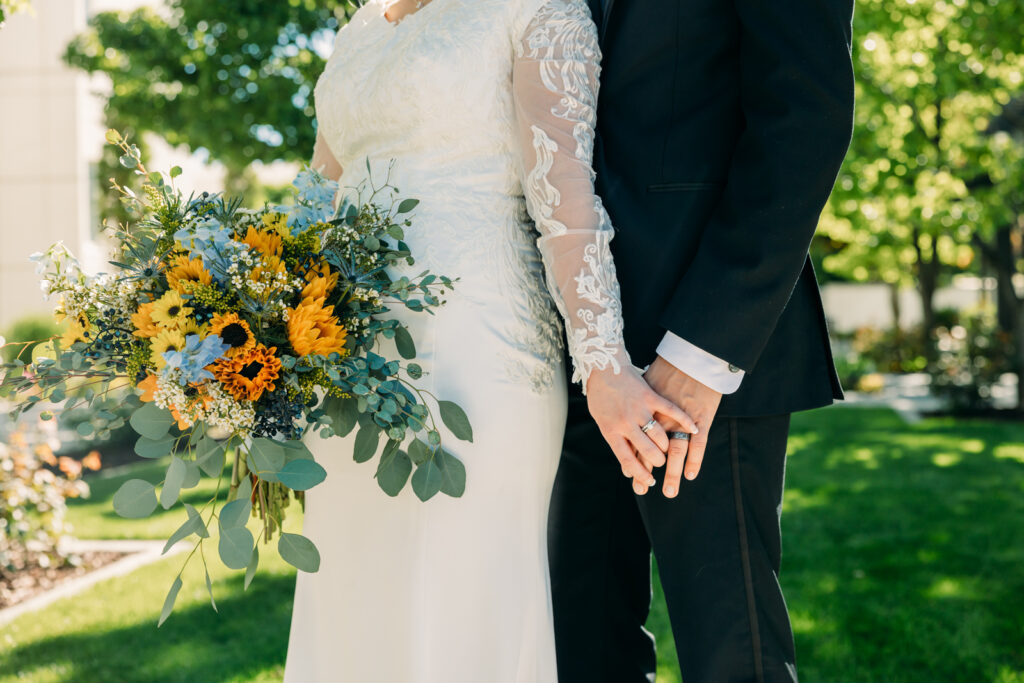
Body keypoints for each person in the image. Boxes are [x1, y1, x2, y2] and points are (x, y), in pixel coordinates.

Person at [284, 1, 693, 680]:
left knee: (456, 600)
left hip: (476, 345)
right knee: (351, 596)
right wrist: (262, 330)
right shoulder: (359, 29)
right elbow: (316, 197)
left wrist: (603, 362)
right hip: (347, 364)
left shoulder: (536, 8)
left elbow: (563, 193)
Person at [547, 0, 855, 681]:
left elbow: (806, 118)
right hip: (570, 350)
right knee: (580, 648)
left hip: (698, 358)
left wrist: (702, 351)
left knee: (732, 657)